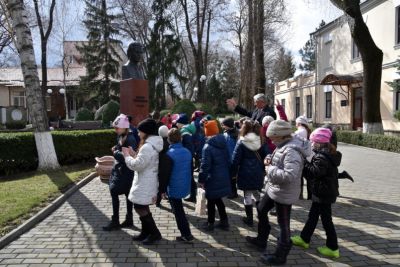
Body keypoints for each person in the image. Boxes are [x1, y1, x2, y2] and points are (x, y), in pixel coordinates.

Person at [246, 120, 311, 265]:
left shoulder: (292, 151)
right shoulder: (283, 144)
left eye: (272, 137)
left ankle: (281, 255)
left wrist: (269, 169)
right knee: (261, 208)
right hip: (274, 188)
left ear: (280, 136)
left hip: (284, 192)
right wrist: (270, 159)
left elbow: (289, 175)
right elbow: (279, 161)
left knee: (284, 225)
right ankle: (261, 240)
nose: (270, 140)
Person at [291, 128, 341, 259]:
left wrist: (304, 163)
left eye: (313, 142)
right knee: (313, 217)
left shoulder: (321, 157)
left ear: (319, 143)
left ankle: (332, 247)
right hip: (323, 192)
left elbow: (314, 173)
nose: (311, 144)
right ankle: (304, 238)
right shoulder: (327, 153)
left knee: (326, 221)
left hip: (323, 193)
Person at [123, 118, 163, 245]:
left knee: (139, 206)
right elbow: (144, 161)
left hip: (145, 181)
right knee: (142, 205)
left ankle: (155, 233)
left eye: (140, 132)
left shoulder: (147, 147)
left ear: (146, 132)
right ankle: (146, 232)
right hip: (147, 179)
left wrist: (127, 156)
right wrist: (135, 154)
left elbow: (137, 165)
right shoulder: (152, 145)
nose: (138, 134)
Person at [103, 114, 138, 231]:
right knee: (126, 195)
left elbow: (127, 157)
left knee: (115, 191)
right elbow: (120, 148)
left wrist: (115, 152)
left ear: (124, 127)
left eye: (117, 128)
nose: (115, 130)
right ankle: (128, 219)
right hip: (121, 172)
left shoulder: (130, 138)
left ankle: (116, 221)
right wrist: (117, 148)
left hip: (125, 173)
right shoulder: (123, 135)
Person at [159, 128, 194, 243]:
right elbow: (190, 170)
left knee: (178, 211)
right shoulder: (187, 152)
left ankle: (186, 234)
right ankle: (186, 233)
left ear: (169, 140)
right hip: (184, 184)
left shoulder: (168, 154)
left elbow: (164, 175)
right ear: (180, 138)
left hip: (174, 187)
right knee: (179, 209)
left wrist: (162, 190)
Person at [232, 120, 267, 226]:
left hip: (245, 171)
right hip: (258, 171)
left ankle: (249, 219)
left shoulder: (242, 142)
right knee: (257, 193)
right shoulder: (261, 140)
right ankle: (262, 216)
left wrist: (233, 173)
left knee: (247, 194)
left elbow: (235, 160)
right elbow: (267, 154)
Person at [198, 120, 232, 232]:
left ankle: (210, 223)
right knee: (218, 199)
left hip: (212, 178)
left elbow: (205, 166)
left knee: (211, 201)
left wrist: (201, 180)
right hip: (223, 175)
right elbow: (228, 160)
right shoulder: (224, 142)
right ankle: (224, 221)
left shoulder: (207, 147)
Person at [176, 113, 197, 202]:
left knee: (190, 176)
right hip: (190, 157)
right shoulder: (187, 130)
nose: (176, 124)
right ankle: (193, 193)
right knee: (190, 176)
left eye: (178, 122)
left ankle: (193, 195)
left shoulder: (185, 133)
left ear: (182, 123)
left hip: (188, 159)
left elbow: (188, 148)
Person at [221, 117, 239, 199]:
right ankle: (229, 191)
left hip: (233, 159)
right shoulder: (225, 132)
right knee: (228, 176)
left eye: (224, 125)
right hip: (226, 158)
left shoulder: (235, 135)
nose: (222, 126)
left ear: (228, 125)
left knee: (232, 177)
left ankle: (234, 192)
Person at [295, 115, 312, 200]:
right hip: (306, 156)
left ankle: (300, 194)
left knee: (300, 176)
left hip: (301, 156)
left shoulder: (300, 131)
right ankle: (309, 196)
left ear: (299, 123)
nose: (295, 124)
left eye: (296, 123)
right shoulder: (305, 130)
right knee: (307, 177)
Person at [156, 125, 172, 207]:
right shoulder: (170, 142)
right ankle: (171, 200)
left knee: (161, 186)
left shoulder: (158, 143)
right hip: (169, 166)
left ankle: (158, 202)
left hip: (160, 167)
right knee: (169, 184)